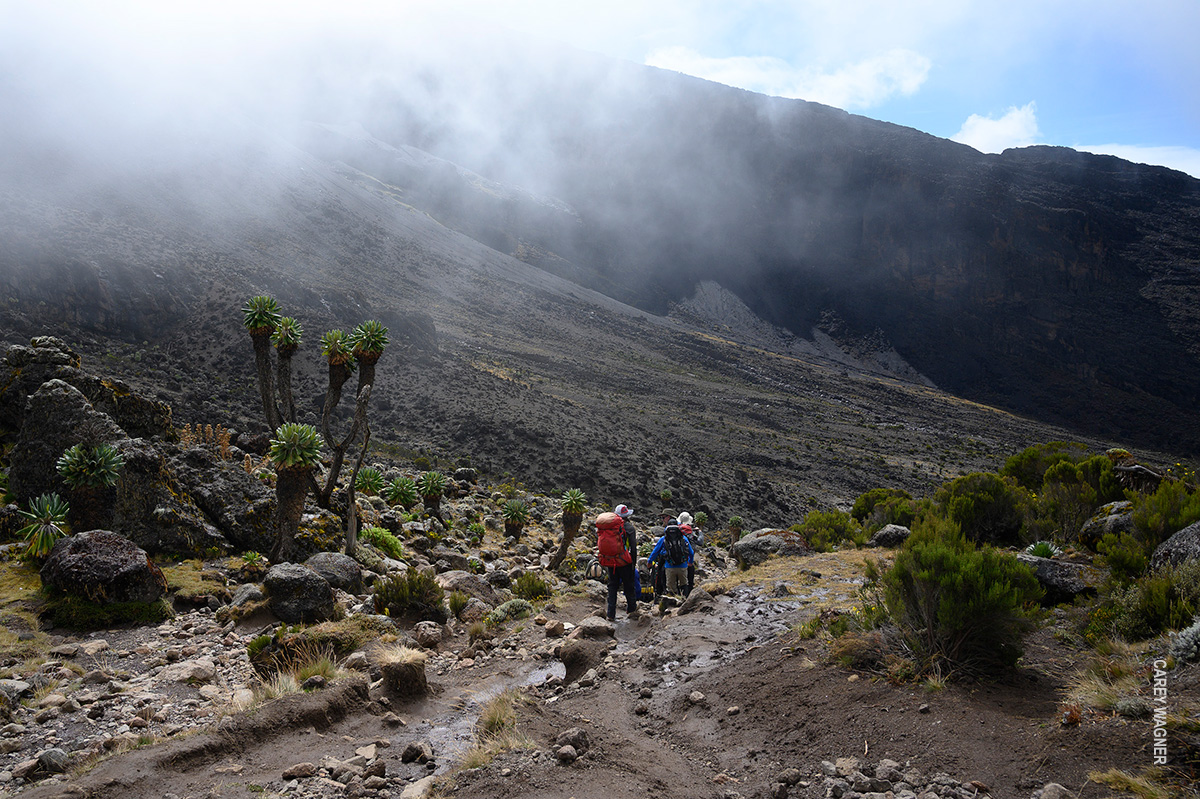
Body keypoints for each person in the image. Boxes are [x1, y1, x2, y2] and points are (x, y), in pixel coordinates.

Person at [601, 504, 639, 621]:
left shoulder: (609, 528)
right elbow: (633, 547)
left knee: (612, 586)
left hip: (611, 560)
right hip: (625, 561)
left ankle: (610, 614)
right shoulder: (629, 528)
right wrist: (633, 563)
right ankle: (632, 610)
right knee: (629, 585)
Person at [648, 519, 694, 597]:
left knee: (671, 587)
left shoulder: (663, 539)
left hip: (669, 566)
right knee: (684, 584)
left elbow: (655, 552)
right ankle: (685, 600)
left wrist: (649, 562)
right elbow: (691, 552)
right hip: (683, 566)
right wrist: (690, 562)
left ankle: (673, 603)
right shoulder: (683, 538)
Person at [676, 511, 700, 595]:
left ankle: (677, 594)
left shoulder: (676, 530)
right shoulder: (690, 532)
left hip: (676, 560)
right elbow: (699, 542)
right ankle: (688, 593)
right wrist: (699, 532)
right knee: (689, 579)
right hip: (687, 560)